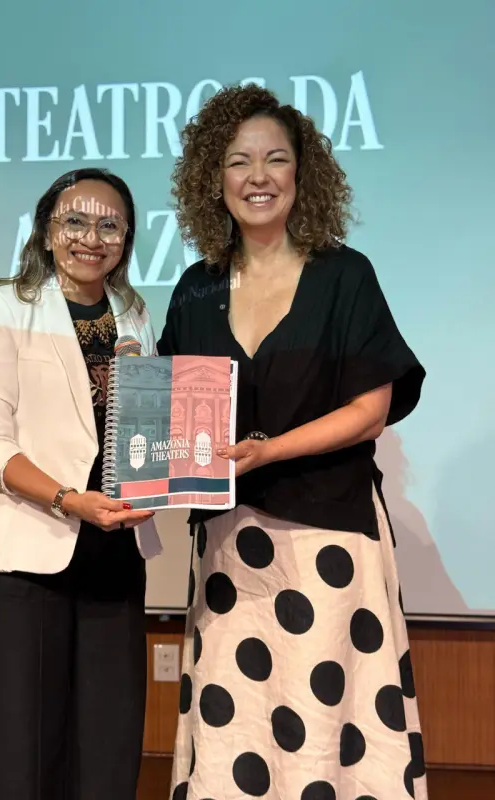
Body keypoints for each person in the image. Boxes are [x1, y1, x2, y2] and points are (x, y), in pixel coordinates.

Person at [158, 85, 428, 800]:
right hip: (229, 549)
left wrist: (270, 450)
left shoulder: (344, 275)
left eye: (275, 158)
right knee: (233, 733)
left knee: (325, 732)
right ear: (213, 179)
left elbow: (370, 411)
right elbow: (172, 421)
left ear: (302, 173)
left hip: (328, 540)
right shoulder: (194, 289)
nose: (258, 176)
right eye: (238, 160)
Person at [0, 168, 161, 800]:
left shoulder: (134, 313)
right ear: (47, 230)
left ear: (127, 239)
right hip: (26, 555)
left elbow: (150, 430)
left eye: (110, 225)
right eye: (75, 221)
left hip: (116, 552)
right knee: (16, 756)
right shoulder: (3, 306)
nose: (91, 238)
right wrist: (69, 500)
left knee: (107, 751)